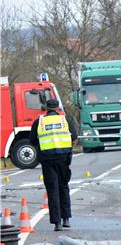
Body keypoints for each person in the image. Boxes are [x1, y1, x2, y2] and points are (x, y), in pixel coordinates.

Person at [30, 99, 77, 231]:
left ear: (46, 108)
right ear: (57, 108)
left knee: (52, 190)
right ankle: (66, 218)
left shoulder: (39, 122)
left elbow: (32, 140)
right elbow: (74, 136)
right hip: (63, 158)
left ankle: (57, 223)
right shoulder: (64, 120)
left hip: (47, 159)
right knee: (63, 187)